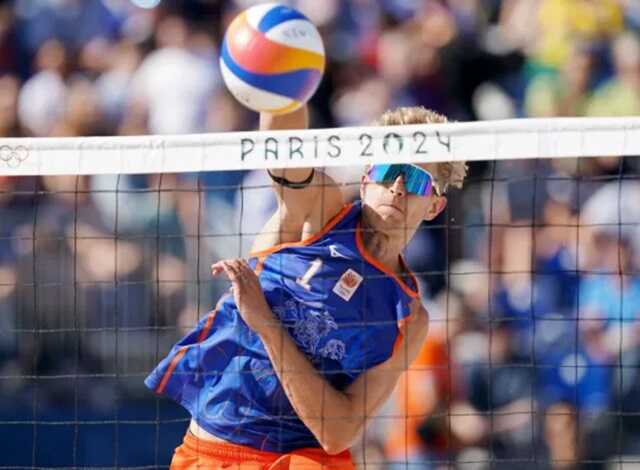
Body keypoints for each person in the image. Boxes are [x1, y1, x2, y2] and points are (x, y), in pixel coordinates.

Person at [144, 105, 467, 469]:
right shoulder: (321, 212)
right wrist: (283, 92)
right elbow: (280, 145)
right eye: (388, 170)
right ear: (365, 179)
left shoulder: (408, 317)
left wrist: (266, 325)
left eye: (417, 179)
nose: (397, 187)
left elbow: (338, 434)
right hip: (218, 450)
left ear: (435, 206)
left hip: (304, 457)